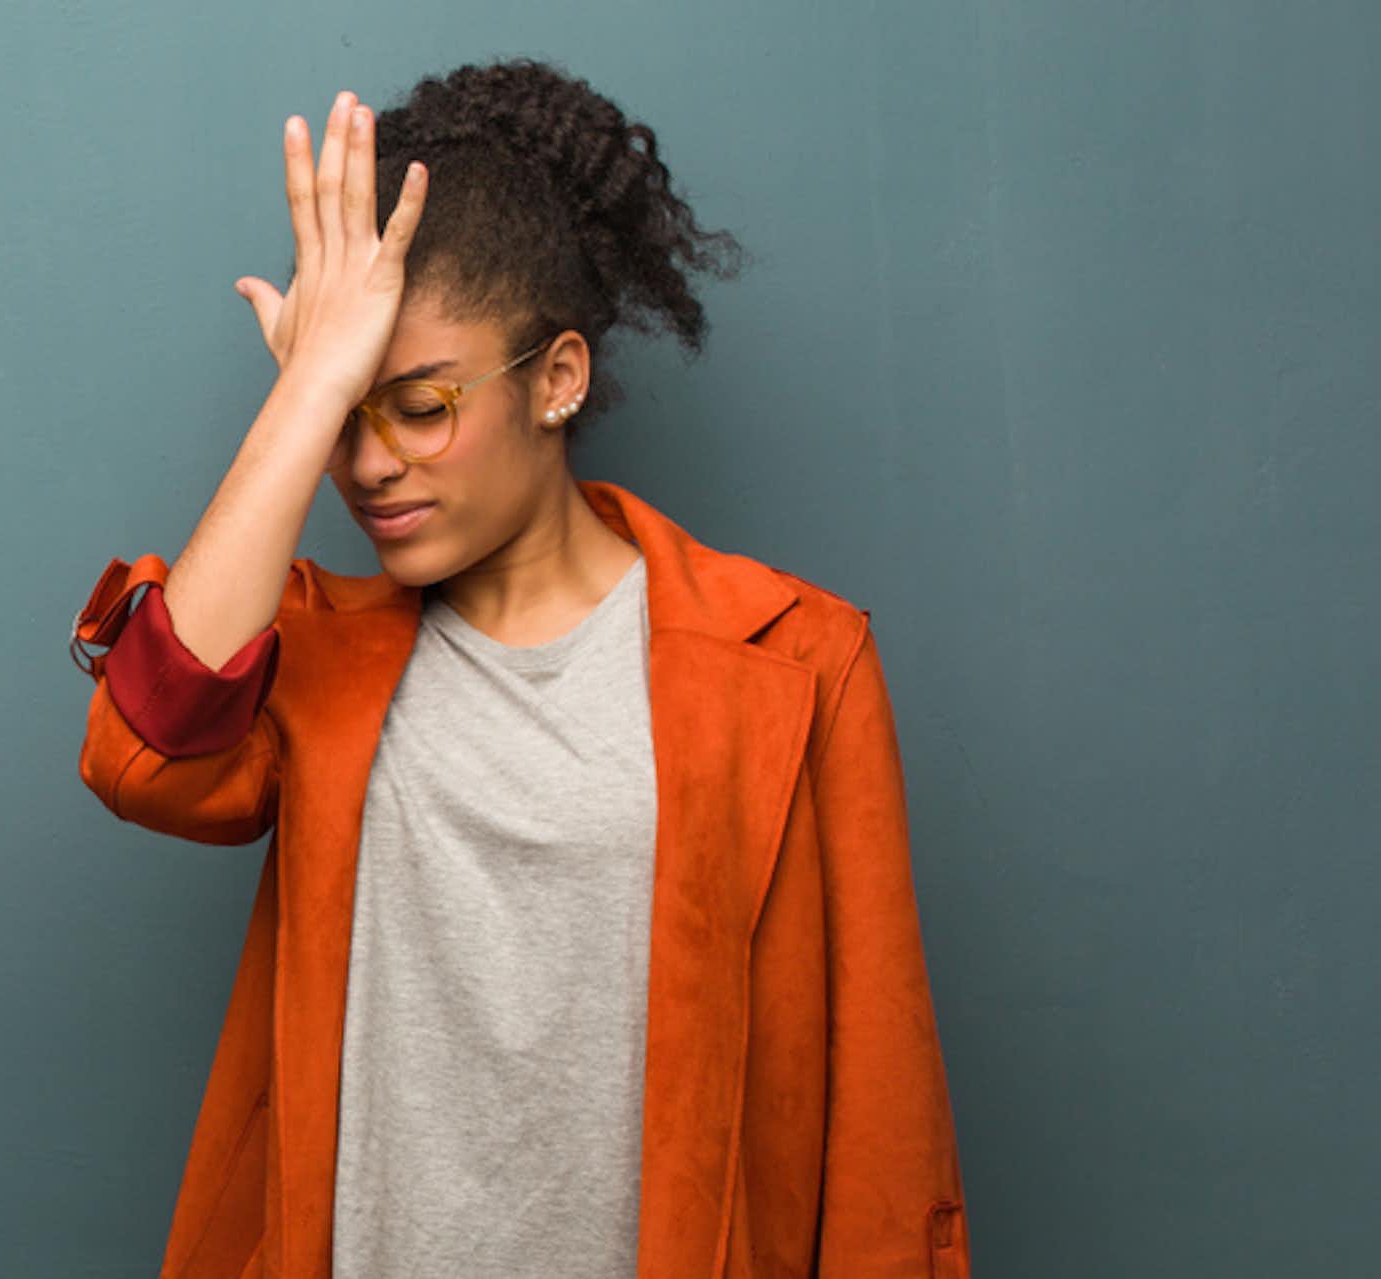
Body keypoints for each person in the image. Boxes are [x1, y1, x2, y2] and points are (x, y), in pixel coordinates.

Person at [69, 59, 971, 1278]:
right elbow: (147, 758)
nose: (371, 465)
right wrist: (303, 394)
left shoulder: (794, 660)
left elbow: (880, 1126)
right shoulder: (310, 655)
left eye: (423, 405)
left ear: (557, 378)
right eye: (346, 420)